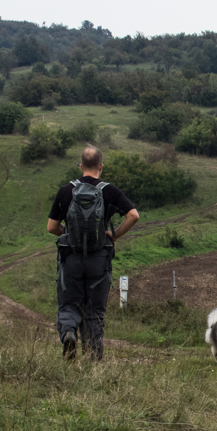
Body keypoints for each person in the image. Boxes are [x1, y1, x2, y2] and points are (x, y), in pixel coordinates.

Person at [47, 147, 139, 360]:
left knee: (69, 304)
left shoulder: (65, 191)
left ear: (80, 166)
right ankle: (93, 359)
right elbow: (133, 216)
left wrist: (68, 234)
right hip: (99, 260)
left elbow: (52, 227)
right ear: (101, 167)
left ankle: (69, 332)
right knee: (94, 312)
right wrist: (114, 236)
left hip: (71, 259)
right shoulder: (109, 191)